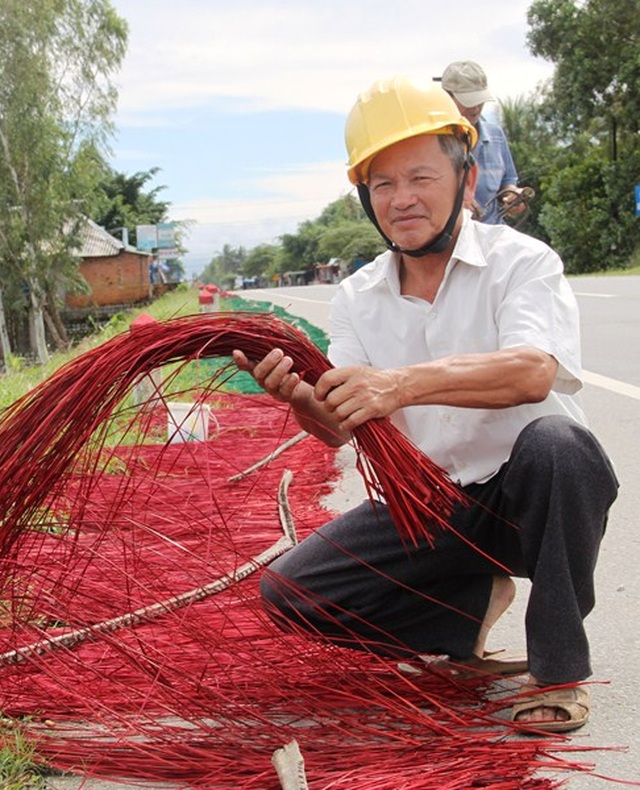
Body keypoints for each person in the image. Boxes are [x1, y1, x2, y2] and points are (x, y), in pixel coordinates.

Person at [233, 76, 618, 733]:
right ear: (365, 197)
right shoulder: (358, 297)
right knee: (288, 592)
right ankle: (464, 617)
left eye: (421, 176)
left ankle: (558, 671)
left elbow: (532, 372)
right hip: (429, 503)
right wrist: (299, 397)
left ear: (466, 180)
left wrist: (402, 384)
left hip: (527, 502)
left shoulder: (523, 263)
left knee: (561, 446)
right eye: (383, 185)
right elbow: (337, 428)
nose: (403, 199)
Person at [437, 60, 521, 224]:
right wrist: (456, 203)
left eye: (479, 100)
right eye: (468, 101)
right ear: (447, 98)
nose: (475, 108)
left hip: (493, 236)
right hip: (449, 241)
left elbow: (508, 181)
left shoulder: (496, 136)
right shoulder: (430, 142)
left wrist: (512, 196)